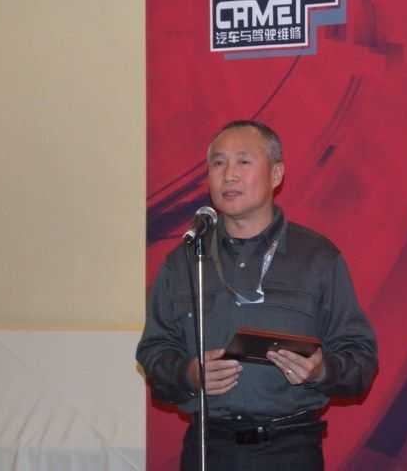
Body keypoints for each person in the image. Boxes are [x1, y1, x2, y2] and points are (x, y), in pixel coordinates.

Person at [137, 120, 378, 471]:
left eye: (243, 161)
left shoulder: (318, 258)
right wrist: (189, 374)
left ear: (276, 174)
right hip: (209, 448)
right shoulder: (186, 260)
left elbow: (362, 361)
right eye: (218, 163)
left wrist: (321, 370)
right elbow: (154, 351)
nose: (229, 175)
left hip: (290, 449)